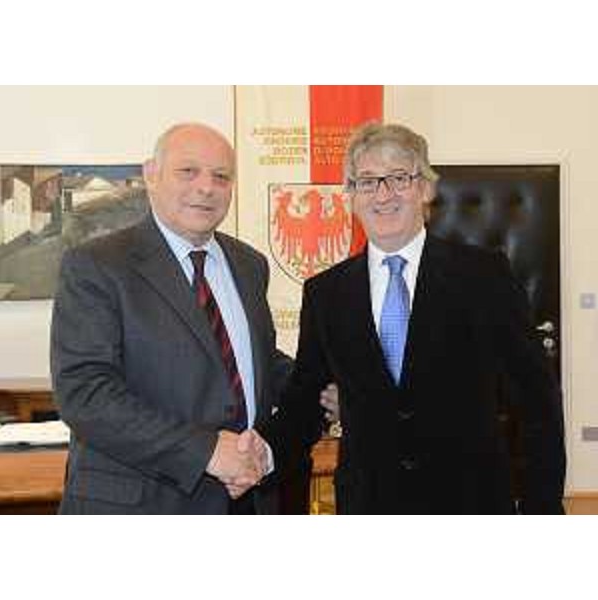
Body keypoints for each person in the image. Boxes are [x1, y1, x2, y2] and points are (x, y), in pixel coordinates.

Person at [258, 122, 566, 514]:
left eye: (399, 177)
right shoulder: (326, 293)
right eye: (367, 181)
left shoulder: (484, 277)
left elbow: (537, 401)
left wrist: (542, 509)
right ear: (351, 196)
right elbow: (303, 402)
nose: (383, 194)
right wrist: (261, 454)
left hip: (472, 503)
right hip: (369, 506)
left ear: (426, 189)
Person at [51, 122, 292, 514]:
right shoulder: (97, 265)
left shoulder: (250, 264)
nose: (206, 187)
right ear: (151, 174)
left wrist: (322, 385)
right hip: (141, 506)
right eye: (188, 171)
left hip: (245, 500)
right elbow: (85, 393)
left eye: (221, 176)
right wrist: (206, 451)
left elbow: (253, 360)